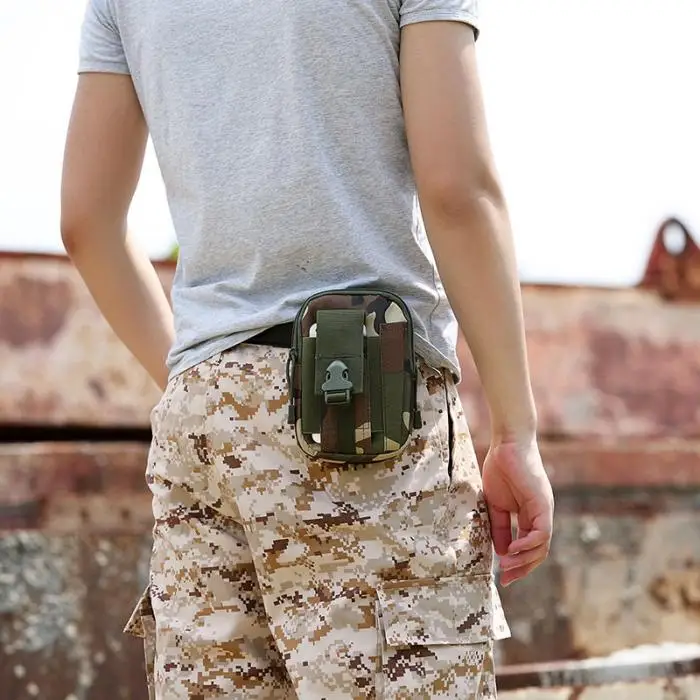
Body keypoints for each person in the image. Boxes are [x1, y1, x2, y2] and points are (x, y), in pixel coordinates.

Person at [61, 0, 554, 697]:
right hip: (365, 413)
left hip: (202, 413)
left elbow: (86, 221)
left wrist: (203, 378)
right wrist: (516, 433)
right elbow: (456, 191)